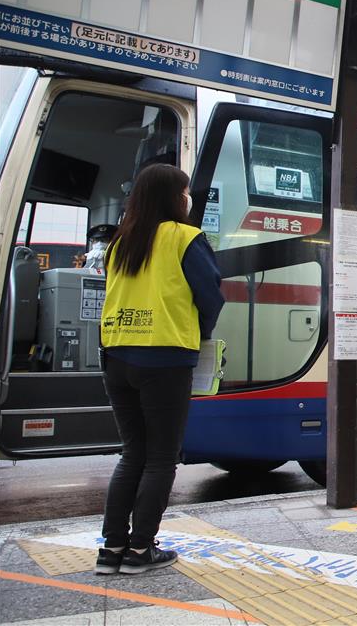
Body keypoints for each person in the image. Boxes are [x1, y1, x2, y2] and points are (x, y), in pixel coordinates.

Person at [96, 164, 223, 575]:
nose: (188, 198)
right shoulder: (185, 238)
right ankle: (140, 551)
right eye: (185, 192)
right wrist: (200, 332)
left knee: (132, 453)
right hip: (165, 357)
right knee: (161, 458)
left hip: (116, 356)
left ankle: (111, 549)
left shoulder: (121, 242)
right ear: (173, 197)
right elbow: (211, 297)